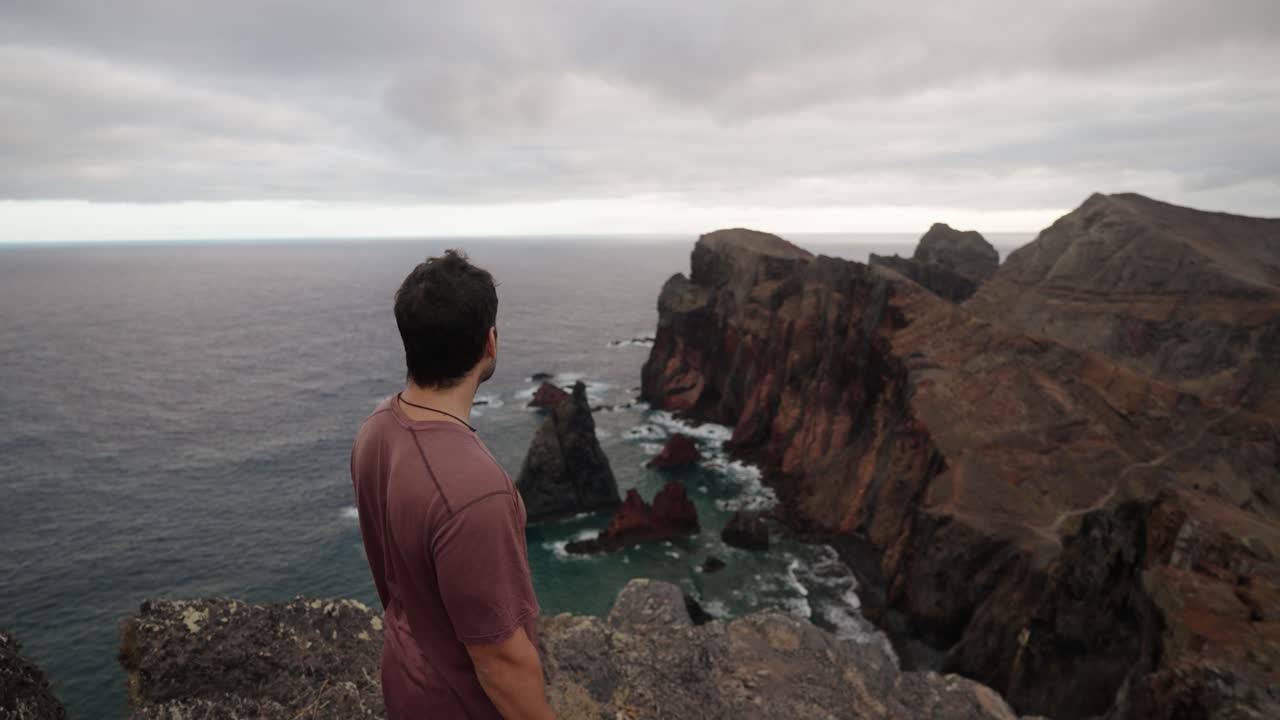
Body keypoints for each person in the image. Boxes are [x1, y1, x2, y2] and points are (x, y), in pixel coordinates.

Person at [350, 250, 556, 719]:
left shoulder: (376, 429)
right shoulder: (476, 494)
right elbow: (501, 659)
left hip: (406, 678)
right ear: (490, 342)